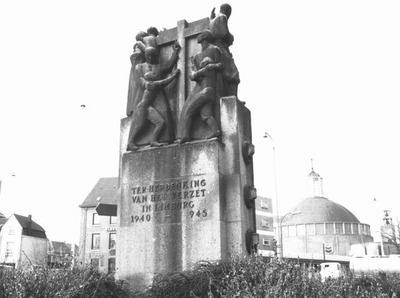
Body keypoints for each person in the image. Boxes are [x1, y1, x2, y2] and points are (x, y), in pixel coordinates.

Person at [127, 42, 181, 151]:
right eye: (148, 55)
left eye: (153, 55)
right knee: (139, 124)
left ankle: (155, 139)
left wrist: (175, 52)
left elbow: (170, 65)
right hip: (143, 101)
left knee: (162, 120)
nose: (151, 57)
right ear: (145, 55)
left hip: (158, 96)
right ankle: (131, 142)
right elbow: (139, 79)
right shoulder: (139, 67)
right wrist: (145, 83)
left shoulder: (159, 67)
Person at [176, 30, 222, 144]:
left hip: (205, 92)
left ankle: (186, 135)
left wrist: (195, 70)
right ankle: (215, 131)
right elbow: (198, 76)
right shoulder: (200, 60)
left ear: (205, 37)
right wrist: (193, 64)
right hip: (208, 91)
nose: (198, 35)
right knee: (206, 114)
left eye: (201, 34)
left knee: (188, 112)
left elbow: (194, 76)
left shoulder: (213, 52)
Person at [209, 3, 240, 97]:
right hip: (221, 48)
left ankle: (228, 95)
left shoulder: (212, 20)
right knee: (234, 74)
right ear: (229, 11)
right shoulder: (223, 17)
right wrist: (231, 37)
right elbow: (224, 33)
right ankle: (233, 98)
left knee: (224, 75)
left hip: (215, 47)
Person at [126, 31, 148, 116]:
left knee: (136, 90)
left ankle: (134, 109)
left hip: (137, 70)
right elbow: (137, 54)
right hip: (137, 71)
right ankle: (134, 109)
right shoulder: (139, 44)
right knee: (136, 89)